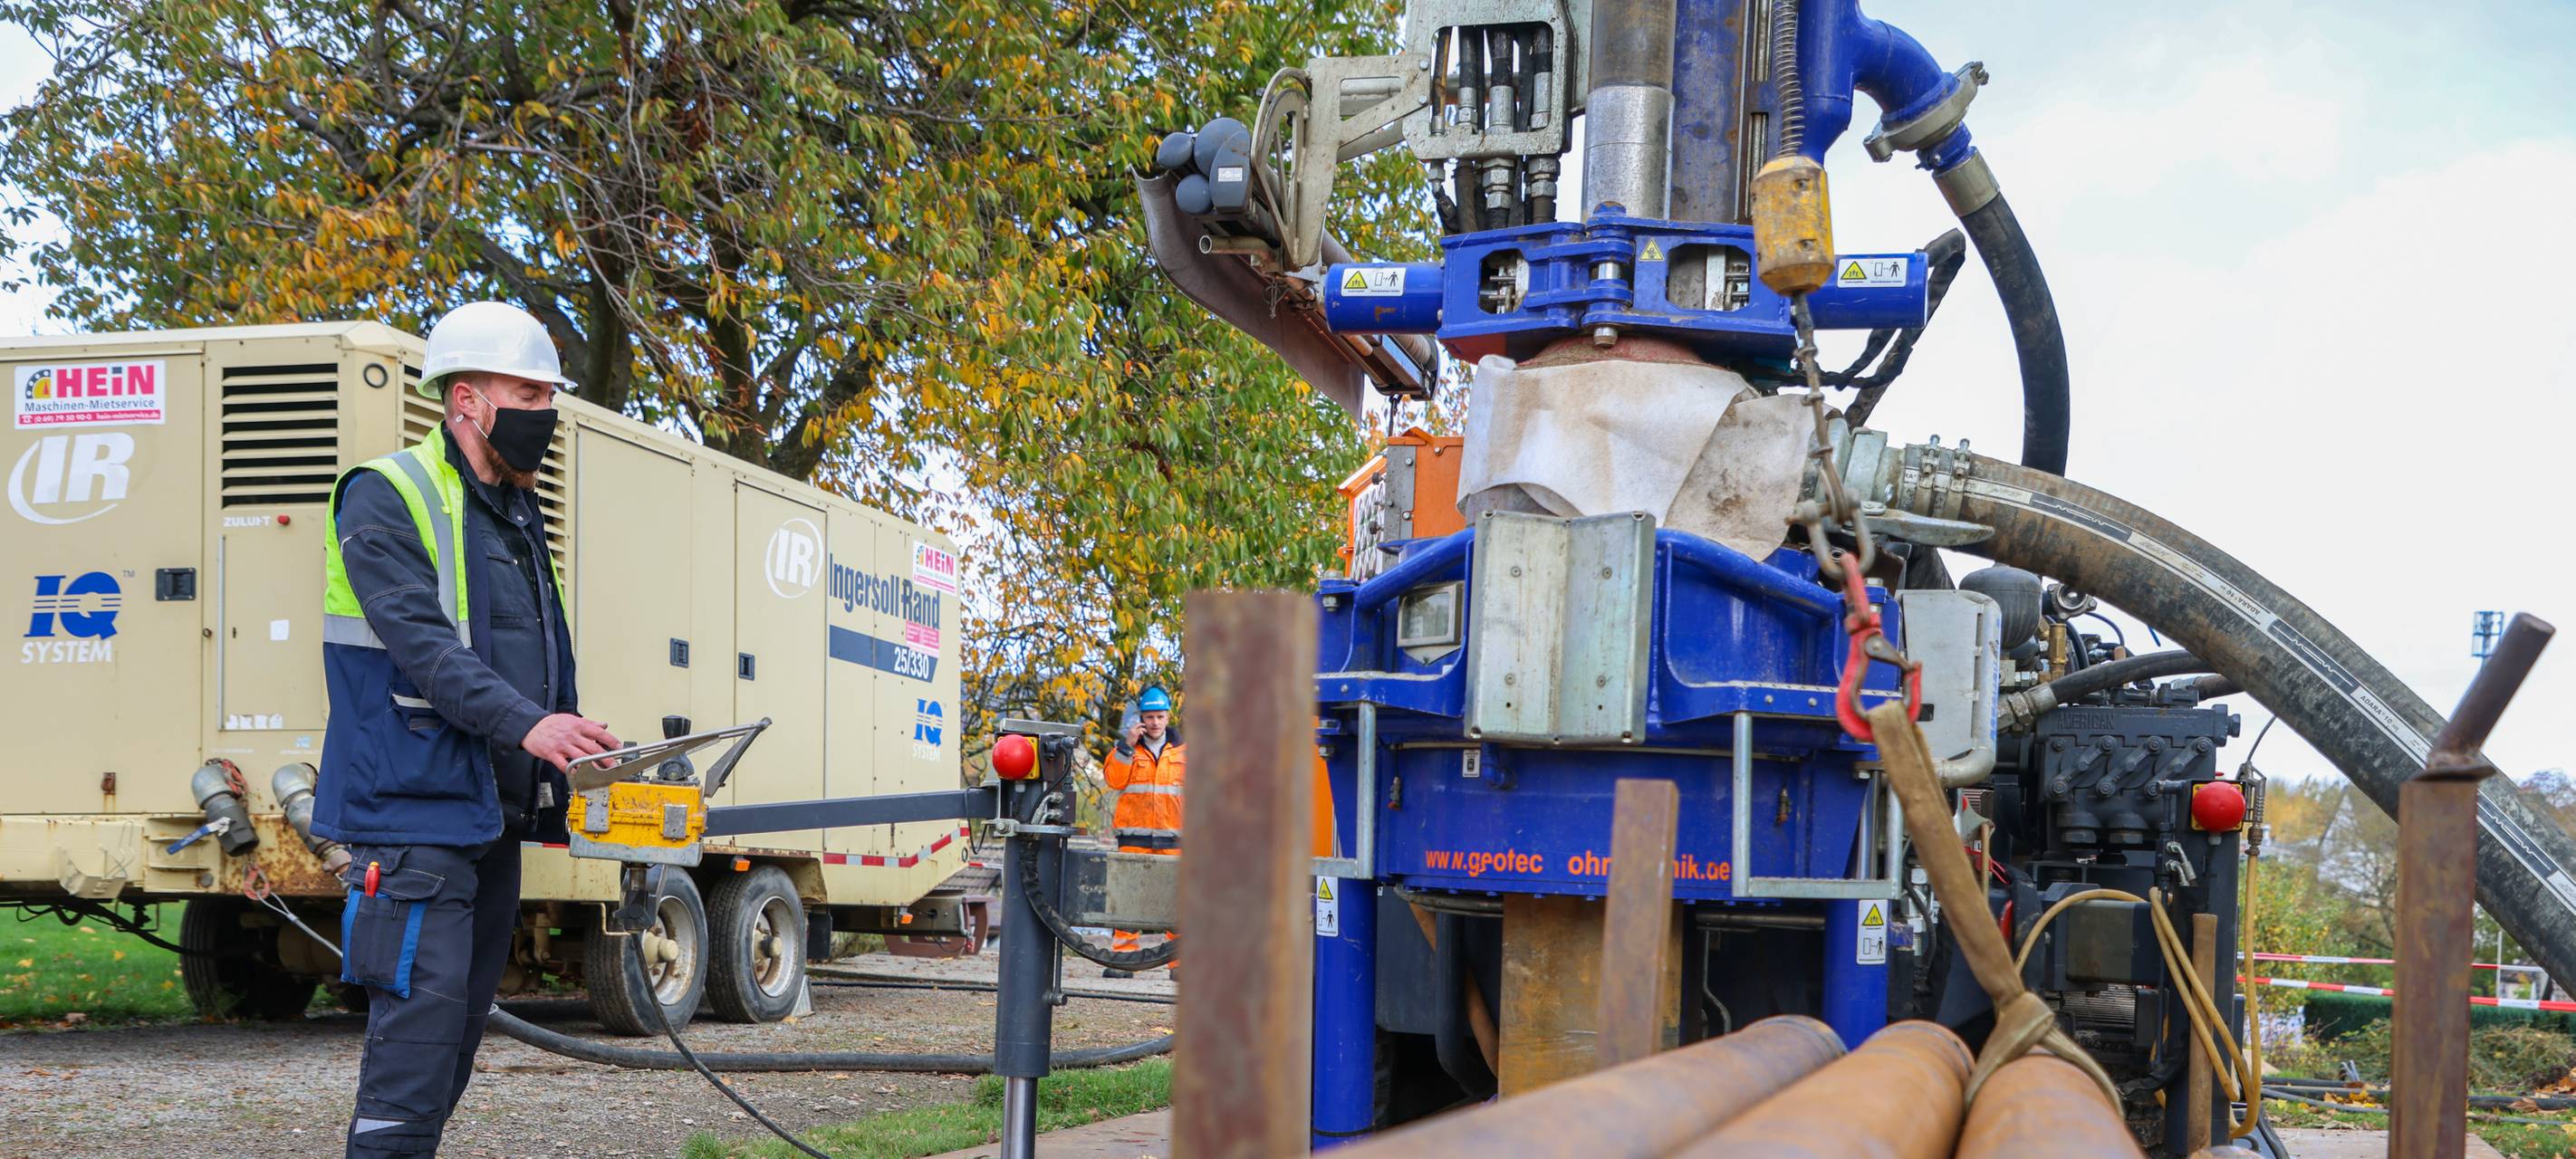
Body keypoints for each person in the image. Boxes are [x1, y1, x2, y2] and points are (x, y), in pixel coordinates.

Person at [313, 301, 622, 1157]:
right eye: (526, 392)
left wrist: (572, 747)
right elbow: (424, 649)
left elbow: (533, 662)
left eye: (547, 397)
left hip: (489, 822)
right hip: (412, 820)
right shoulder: (385, 495)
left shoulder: (518, 518)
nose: (543, 414)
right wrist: (531, 724)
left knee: (448, 1058)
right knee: (411, 1060)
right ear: (466, 403)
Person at [1101, 685, 1183, 975]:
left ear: (1168, 717)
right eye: (1150, 717)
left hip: (1174, 838)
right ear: (1141, 719)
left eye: (1160, 717)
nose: (1155, 723)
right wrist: (1125, 746)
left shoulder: (1186, 752)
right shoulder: (1126, 750)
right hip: (1134, 837)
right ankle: (1124, 958)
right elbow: (1114, 780)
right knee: (1127, 898)